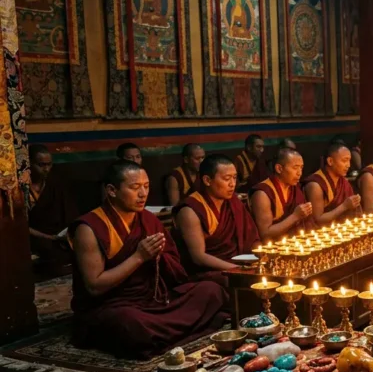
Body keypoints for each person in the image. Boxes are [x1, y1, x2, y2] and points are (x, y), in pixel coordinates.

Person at [70, 160, 229, 359]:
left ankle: (165, 331)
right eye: (135, 187)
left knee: (211, 291)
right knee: (131, 325)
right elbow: (94, 286)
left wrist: (160, 257)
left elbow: (174, 267)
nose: (143, 194)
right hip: (115, 305)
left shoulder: (147, 219)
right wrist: (139, 257)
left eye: (146, 186)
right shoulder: (89, 228)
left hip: (154, 298)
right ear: (112, 190)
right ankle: (174, 330)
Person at [173, 155, 260, 284]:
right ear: (207, 180)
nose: (232, 184)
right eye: (226, 179)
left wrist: (265, 257)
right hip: (206, 273)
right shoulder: (190, 210)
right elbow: (198, 257)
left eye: (235, 178)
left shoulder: (233, 203)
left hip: (240, 264)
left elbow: (252, 239)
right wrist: (237, 269)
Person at [28, 144, 77, 271]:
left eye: (49, 164)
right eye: (41, 165)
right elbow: (20, 224)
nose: (46, 169)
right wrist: (48, 237)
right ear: (29, 164)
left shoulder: (55, 184)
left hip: (57, 233)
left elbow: (69, 212)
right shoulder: (20, 189)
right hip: (34, 235)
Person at [250, 148, 314, 241]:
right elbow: (265, 233)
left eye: (301, 168)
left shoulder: (294, 189)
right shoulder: (263, 193)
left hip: (295, 243)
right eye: (295, 168)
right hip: (272, 248)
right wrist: (295, 216)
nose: (299, 173)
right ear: (279, 168)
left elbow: (307, 223)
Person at [303, 142, 361, 225]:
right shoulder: (316, 185)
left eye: (349, 161)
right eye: (344, 160)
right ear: (330, 161)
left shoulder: (343, 182)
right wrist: (344, 206)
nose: (348, 165)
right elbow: (318, 220)